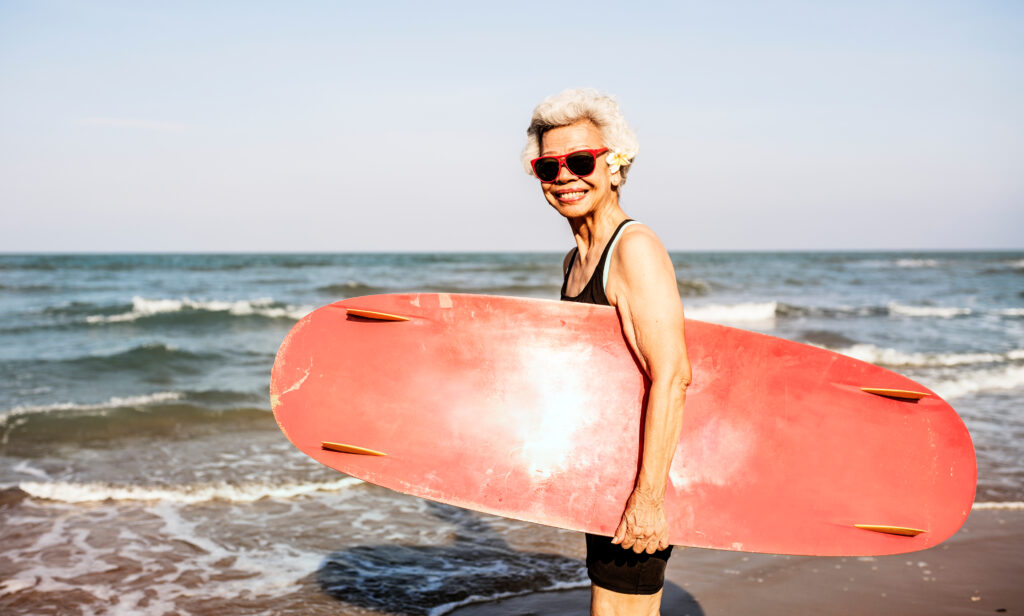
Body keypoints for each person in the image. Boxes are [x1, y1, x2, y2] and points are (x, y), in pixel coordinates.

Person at [522, 89, 691, 616]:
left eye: (580, 161)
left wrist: (648, 500)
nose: (565, 176)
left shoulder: (633, 249)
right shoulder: (575, 259)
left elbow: (672, 376)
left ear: (615, 166)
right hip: (608, 476)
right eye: (549, 166)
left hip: (641, 479)